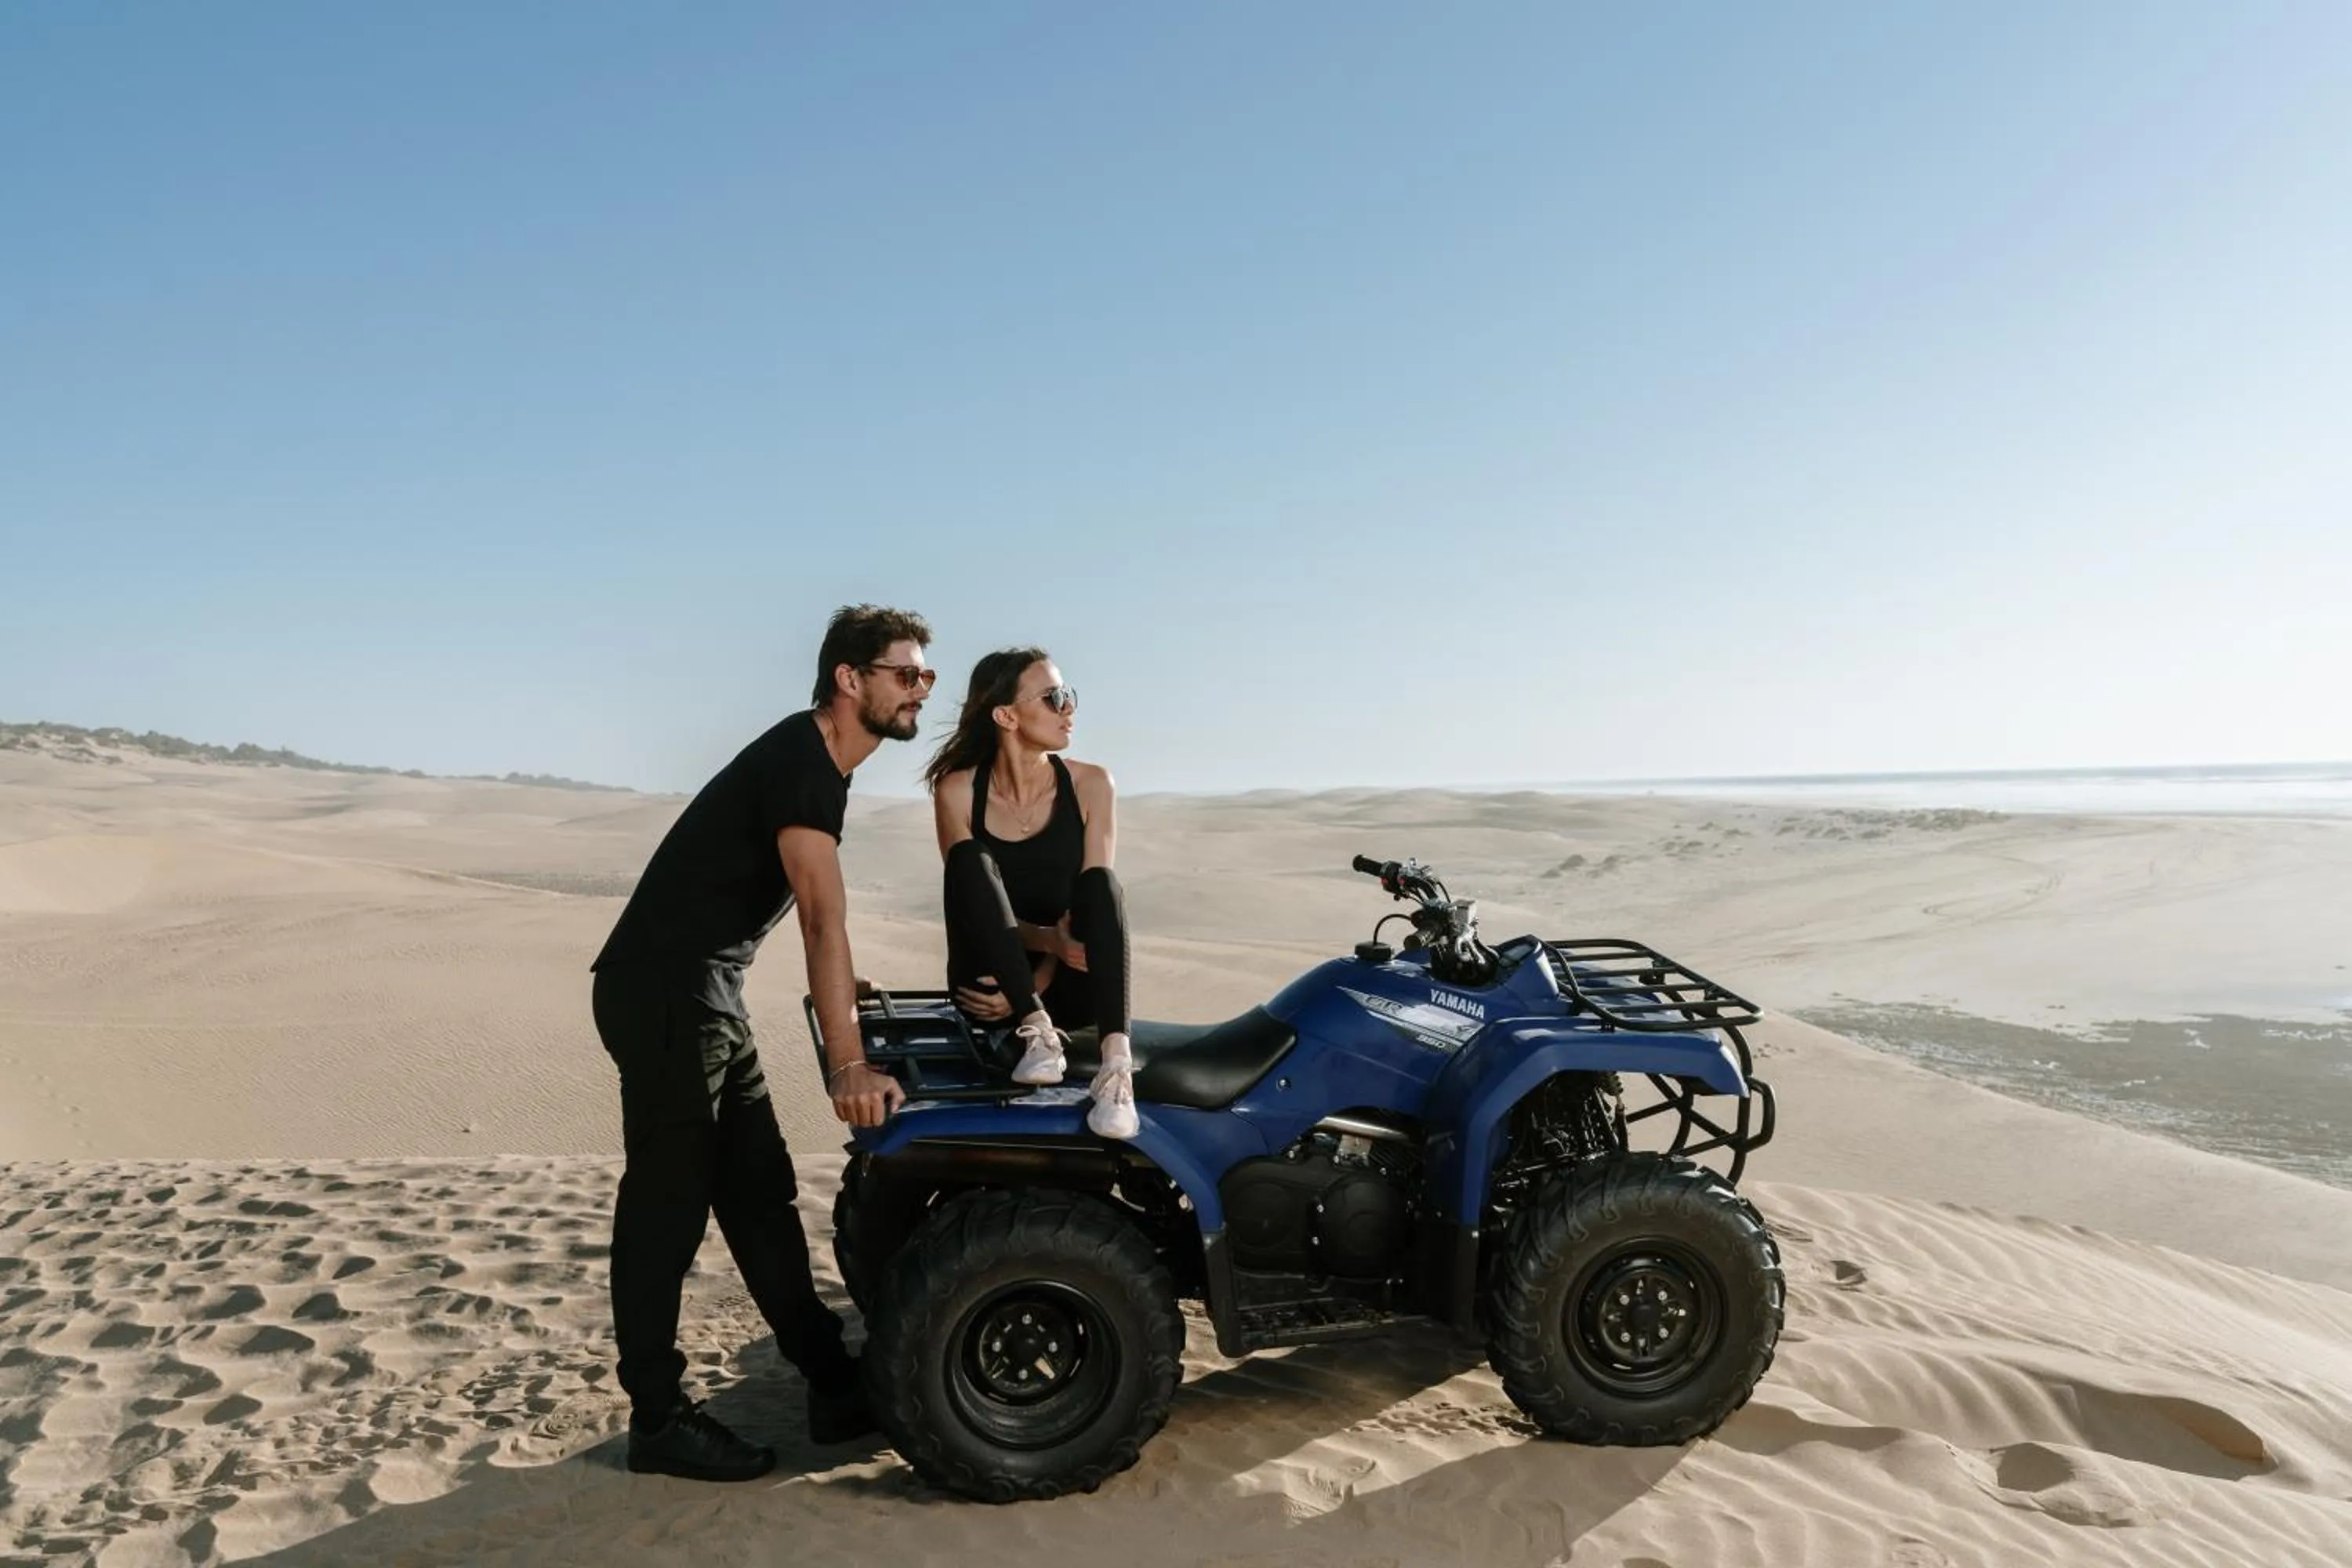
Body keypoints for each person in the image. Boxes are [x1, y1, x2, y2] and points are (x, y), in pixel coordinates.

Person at [589, 604, 926, 1482]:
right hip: (667, 992)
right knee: (667, 1200)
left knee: (759, 1190)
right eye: (905, 672)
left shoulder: (817, 764)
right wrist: (849, 1059)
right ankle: (658, 1418)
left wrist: (843, 989)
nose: (920, 688)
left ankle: (831, 1380)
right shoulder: (805, 759)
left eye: (926, 674)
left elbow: (796, 913)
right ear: (850, 679)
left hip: (706, 992)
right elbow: (822, 913)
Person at [924, 648, 1137, 1139]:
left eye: (1068, 695)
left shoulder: (1091, 784)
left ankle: (1116, 1068)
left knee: (1103, 885)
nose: (1069, 709)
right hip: (991, 984)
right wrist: (1041, 952)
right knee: (970, 863)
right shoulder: (957, 791)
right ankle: (1036, 1030)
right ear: (1006, 715)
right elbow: (975, 907)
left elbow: (1089, 910)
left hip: (1067, 980)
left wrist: (1044, 973)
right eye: (1053, 697)